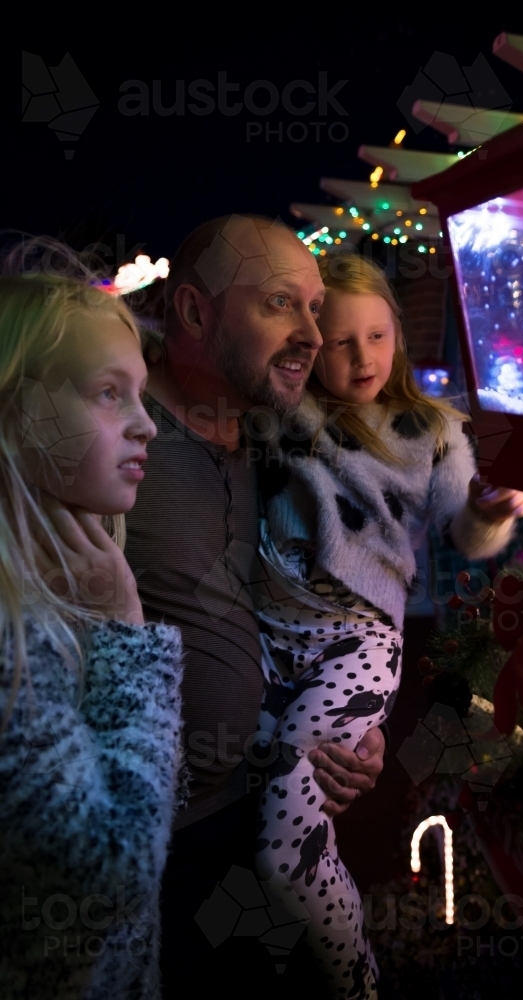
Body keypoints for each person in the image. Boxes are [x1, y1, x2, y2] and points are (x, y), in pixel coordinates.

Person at [252, 254, 523, 998]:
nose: (363, 357)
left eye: (376, 336)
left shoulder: (432, 429)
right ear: (309, 344)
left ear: (397, 334)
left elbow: (463, 534)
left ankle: (357, 979)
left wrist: (490, 512)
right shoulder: (279, 414)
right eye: (340, 342)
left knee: (287, 842)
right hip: (269, 635)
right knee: (250, 805)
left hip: (357, 640)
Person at [122, 215, 388, 997]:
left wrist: (350, 730)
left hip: (261, 814)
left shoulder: (280, 453)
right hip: (153, 854)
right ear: (195, 313)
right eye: (281, 304)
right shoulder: (112, 442)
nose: (313, 331)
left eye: (314, 308)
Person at [0, 265, 184, 1000]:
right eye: (110, 393)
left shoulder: (50, 588)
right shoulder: (14, 630)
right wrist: (127, 634)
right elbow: (109, 869)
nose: (147, 423)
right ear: (17, 409)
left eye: (141, 393)